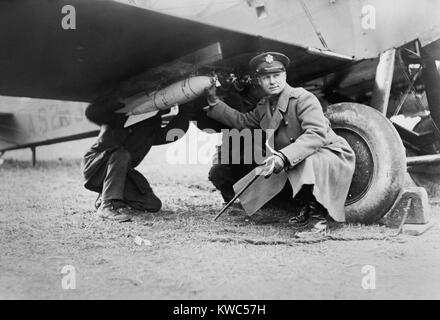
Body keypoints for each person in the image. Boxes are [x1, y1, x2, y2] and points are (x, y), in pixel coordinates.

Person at [204, 52, 356, 229]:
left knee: (303, 161)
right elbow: (242, 122)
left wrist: (283, 157)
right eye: (266, 77)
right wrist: (213, 101)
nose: (272, 81)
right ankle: (304, 209)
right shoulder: (265, 106)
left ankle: (318, 220)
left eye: (276, 75)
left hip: (327, 154)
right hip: (296, 156)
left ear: (284, 76)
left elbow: (316, 135)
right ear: (259, 81)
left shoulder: (303, 98)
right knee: (269, 170)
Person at [82, 97, 196, 222]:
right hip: (95, 165)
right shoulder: (118, 117)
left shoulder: (151, 130)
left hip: (121, 172)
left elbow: (174, 132)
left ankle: (107, 194)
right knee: (121, 154)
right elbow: (92, 112)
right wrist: (123, 99)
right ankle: (106, 206)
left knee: (153, 204)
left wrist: (186, 107)